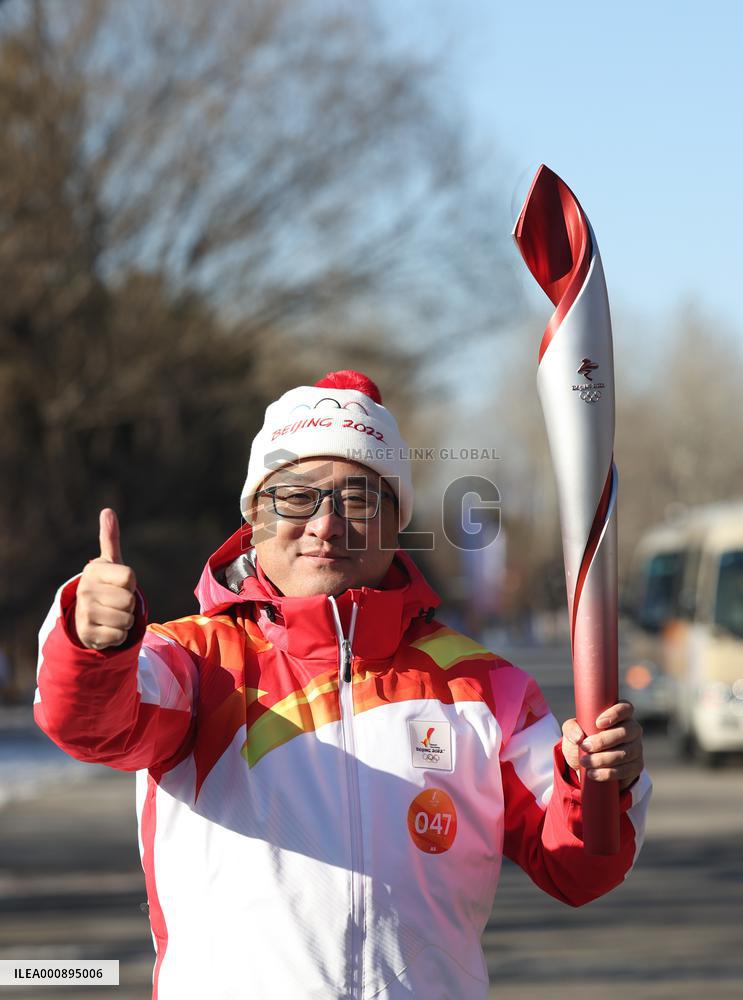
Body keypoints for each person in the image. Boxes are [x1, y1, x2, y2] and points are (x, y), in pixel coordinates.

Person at [34, 370, 651, 1000]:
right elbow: (93, 725)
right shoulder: (193, 661)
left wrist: (599, 782)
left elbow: (579, 868)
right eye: (296, 498)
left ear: (395, 523)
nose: (325, 526)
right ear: (254, 516)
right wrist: (95, 644)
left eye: (358, 500)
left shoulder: (486, 690)